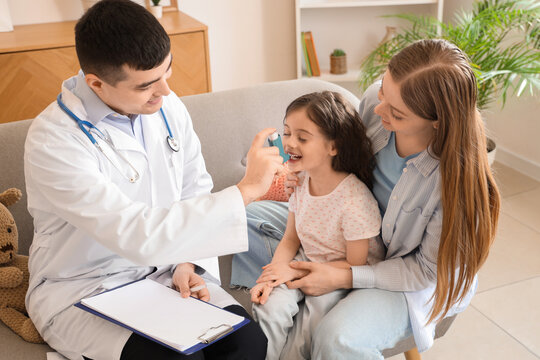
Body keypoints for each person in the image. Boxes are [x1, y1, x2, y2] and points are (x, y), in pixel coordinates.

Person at [23, 1, 283, 359]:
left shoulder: (167, 106)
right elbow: (134, 232)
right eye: (146, 85)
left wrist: (187, 263)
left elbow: (195, 189)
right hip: (85, 288)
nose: (164, 91)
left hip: (167, 274)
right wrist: (245, 191)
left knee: (250, 346)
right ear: (96, 83)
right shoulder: (55, 140)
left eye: (167, 72)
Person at [231, 39, 501, 359]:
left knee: (337, 339)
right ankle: (275, 303)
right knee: (240, 217)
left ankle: (309, 309)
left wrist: (343, 275)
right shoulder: (377, 104)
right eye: (384, 90)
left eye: (396, 113)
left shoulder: (456, 185)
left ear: (437, 121)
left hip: (406, 275)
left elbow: (424, 271)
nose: (377, 108)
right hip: (348, 230)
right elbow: (343, 161)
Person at [249, 91, 385, 359]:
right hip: (304, 258)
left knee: (308, 333)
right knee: (268, 307)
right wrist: (274, 273)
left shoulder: (354, 201)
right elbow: (290, 238)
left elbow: (355, 264)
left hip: (338, 274)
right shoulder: (300, 181)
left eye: (302, 137)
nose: (289, 143)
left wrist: (294, 272)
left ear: (333, 147)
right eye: (287, 133)